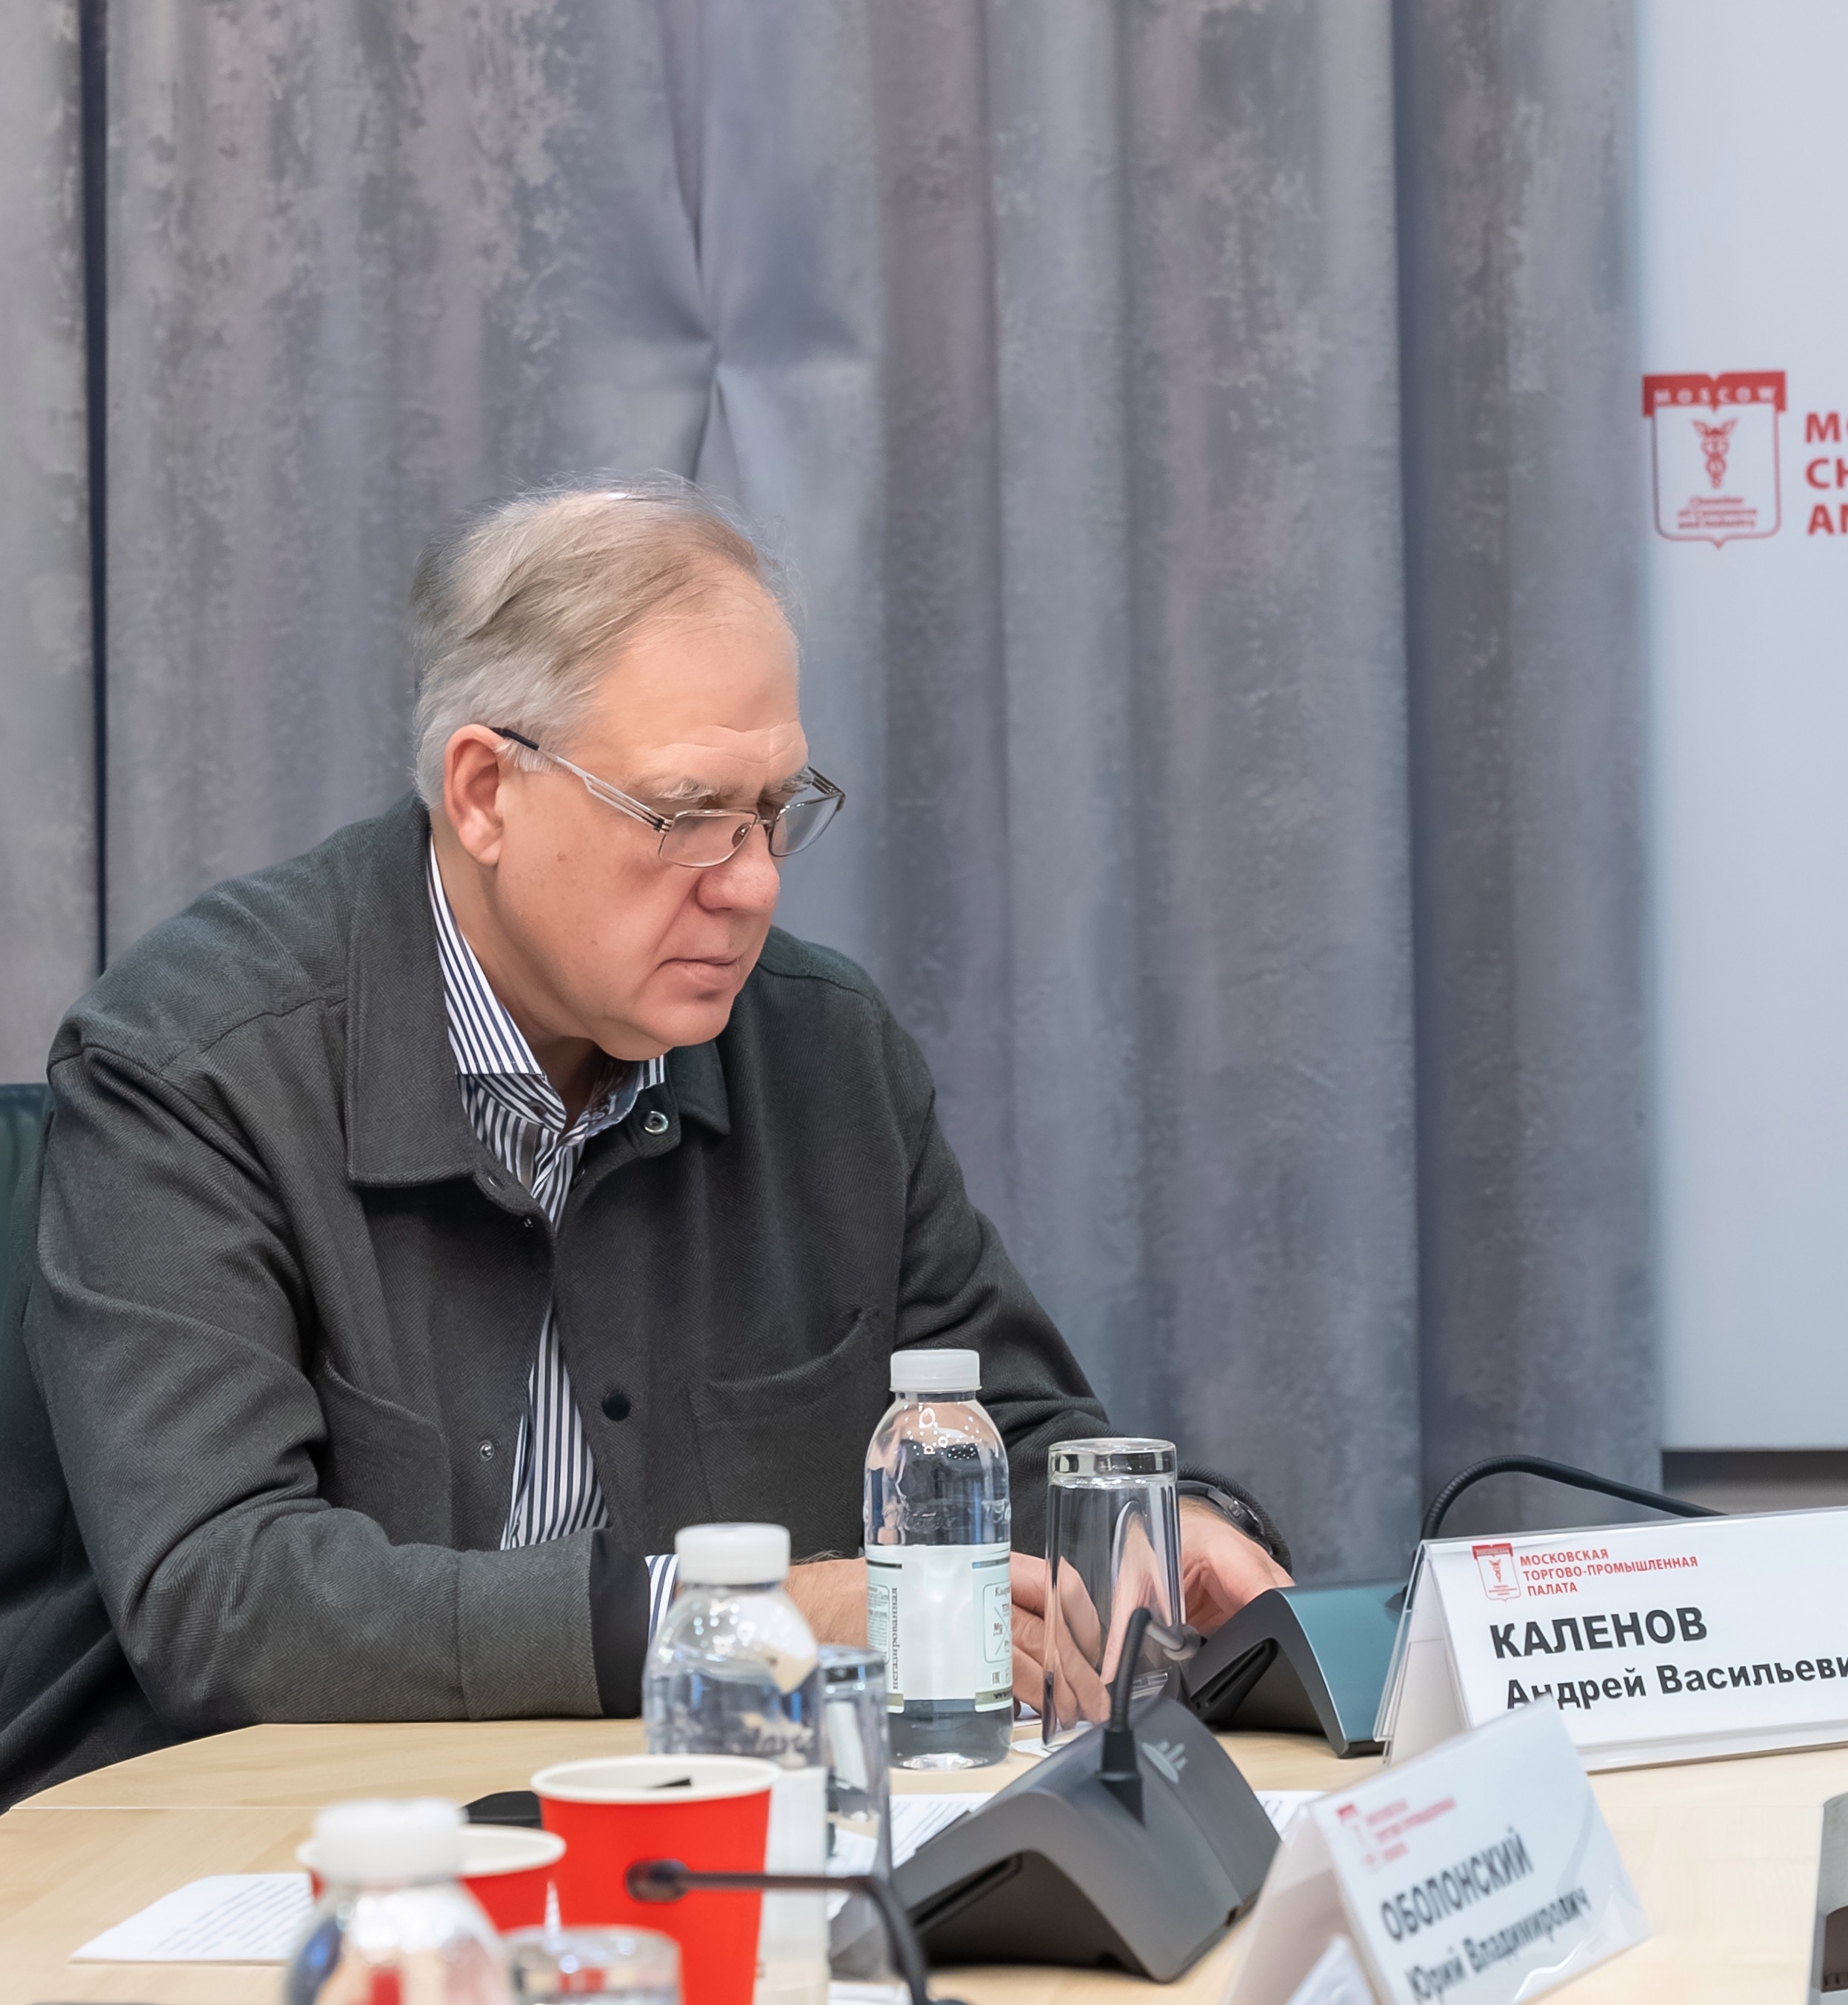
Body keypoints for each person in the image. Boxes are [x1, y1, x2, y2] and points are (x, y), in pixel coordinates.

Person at [0, 480, 1288, 1806]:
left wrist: (1154, 1535)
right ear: (485, 792)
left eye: (775, 809)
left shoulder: (825, 1052)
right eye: (684, 817)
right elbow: (219, 1599)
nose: (753, 882)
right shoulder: (196, 1056)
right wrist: (739, 1620)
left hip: (718, 1824)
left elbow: (990, 1434)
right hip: (284, 1839)